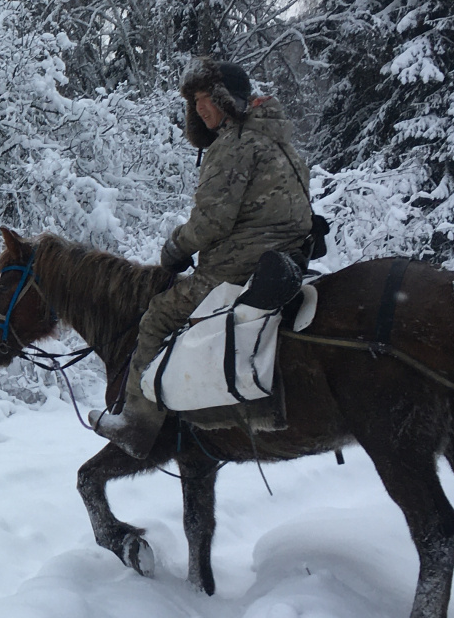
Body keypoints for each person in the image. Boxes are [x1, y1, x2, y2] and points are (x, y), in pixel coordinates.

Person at [91, 59, 313, 459]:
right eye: (194, 103)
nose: (199, 110)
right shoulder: (279, 140)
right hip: (287, 257)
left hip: (239, 264)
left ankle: (136, 423)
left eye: (205, 99)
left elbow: (212, 220)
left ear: (227, 99)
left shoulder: (235, 144)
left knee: (158, 314)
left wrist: (175, 249)